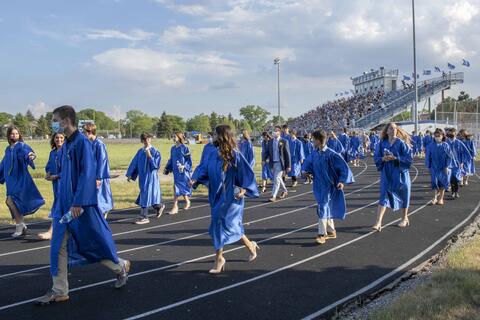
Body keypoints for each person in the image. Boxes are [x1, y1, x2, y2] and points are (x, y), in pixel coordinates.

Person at [35, 105, 130, 306]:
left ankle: (119, 266)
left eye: (55, 119)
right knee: (57, 246)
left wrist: (78, 202)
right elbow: (68, 174)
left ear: (66, 120)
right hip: (63, 206)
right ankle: (60, 289)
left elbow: (88, 173)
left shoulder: (82, 143)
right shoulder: (67, 145)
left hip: (80, 207)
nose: (53, 124)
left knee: (91, 243)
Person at [190, 124, 260, 274]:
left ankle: (219, 259)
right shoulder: (211, 153)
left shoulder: (234, 154)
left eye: (215, 134)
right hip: (216, 195)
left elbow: (246, 173)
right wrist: (195, 179)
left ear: (221, 136)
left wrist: (244, 188)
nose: (212, 136)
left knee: (218, 224)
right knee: (229, 225)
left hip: (231, 197)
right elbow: (203, 168)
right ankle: (250, 245)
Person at [302, 130, 354, 244]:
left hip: (328, 185)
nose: (312, 141)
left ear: (319, 140)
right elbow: (308, 164)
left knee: (322, 206)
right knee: (324, 206)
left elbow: (343, 168)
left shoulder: (331, 154)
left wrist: (341, 181)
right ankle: (331, 231)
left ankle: (322, 234)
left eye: (314, 139)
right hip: (318, 185)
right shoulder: (315, 153)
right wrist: (305, 171)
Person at [0, 126, 45, 238]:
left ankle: (20, 226)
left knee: (10, 201)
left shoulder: (22, 146)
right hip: (11, 180)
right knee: (13, 202)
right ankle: (22, 225)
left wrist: (31, 156)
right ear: (9, 135)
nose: (14, 135)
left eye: (16, 133)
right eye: (12, 134)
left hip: (20, 179)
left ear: (19, 135)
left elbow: (28, 153)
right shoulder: (8, 149)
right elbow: (4, 163)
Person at [372, 122, 413, 231]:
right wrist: (382, 159)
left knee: (404, 194)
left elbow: (409, 158)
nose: (394, 129)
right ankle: (378, 222)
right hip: (387, 172)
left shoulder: (401, 143)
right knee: (383, 195)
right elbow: (376, 157)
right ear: (387, 131)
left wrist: (396, 158)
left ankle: (404, 218)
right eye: (391, 128)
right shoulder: (382, 143)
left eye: (395, 128)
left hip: (400, 173)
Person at [126, 133, 166, 224]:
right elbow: (134, 163)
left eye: (148, 138)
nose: (146, 140)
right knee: (148, 195)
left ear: (150, 139)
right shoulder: (140, 151)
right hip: (143, 177)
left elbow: (156, 166)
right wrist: (130, 174)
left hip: (151, 177)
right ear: (142, 140)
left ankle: (144, 217)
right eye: (144, 139)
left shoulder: (155, 151)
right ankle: (159, 206)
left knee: (145, 194)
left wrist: (150, 157)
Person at [83, 123, 114, 219]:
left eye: (84, 131)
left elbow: (102, 161)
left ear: (90, 132)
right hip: (89, 175)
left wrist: (99, 177)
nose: (83, 134)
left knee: (100, 196)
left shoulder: (99, 144)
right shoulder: (87, 144)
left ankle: (103, 211)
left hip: (98, 176)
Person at [38, 132, 65, 240]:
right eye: (57, 137)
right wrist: (48, 173)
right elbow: (49, 165)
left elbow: (69, 169)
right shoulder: (52, 153)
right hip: (56, 185)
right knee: (63, 207)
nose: (59, 140)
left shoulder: (67, 152)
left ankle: (51, 232)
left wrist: (57, 176)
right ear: (53, 139)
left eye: (61, 137)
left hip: (65, 183)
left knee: (58, 206)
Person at [164, 132, 192, 214]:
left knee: (179, 186)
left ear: (179, 137)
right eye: (172, 136)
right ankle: (186, 202)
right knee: (177, 186)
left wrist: (184, 166)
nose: (173, 137)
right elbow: (171, 159)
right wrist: (167, 168)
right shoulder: (173, 148)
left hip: (183, 172)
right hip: (176, 172)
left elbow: (189, 160)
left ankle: (175, 206)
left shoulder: (184, 148)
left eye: (174, 136)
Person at [262, 126, 291, 202]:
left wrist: (288, 165)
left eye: (276, 131)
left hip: (280, 163)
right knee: (278, 178)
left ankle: (273, 195)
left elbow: (287, 154)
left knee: (276, 179)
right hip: (272, 163)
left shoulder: (284, 141)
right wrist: (264, 160)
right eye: (273, 131)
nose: (274, 132)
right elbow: (267, 152)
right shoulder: (270, 141)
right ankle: (285, 190)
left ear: (279, 132)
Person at [425, 128, 452, 205]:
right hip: (433, 167)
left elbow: (449, 157)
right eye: (435, 135)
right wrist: (428, 166)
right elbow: (428, 156)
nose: (437, 137)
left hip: (443, 167)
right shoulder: (430, 145)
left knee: (442, 183)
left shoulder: (445, 145)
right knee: (434, 182)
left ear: (442, 136)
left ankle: (441, 198)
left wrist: (447, 166)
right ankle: (434, 198)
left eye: (438, 135)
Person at [445, 128, 472, 198]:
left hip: (457, 164)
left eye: (453, 133)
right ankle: (453, 192)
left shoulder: (459, 142)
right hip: (449, 164)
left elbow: (465, 152)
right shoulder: (446, 142)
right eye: (450, 133)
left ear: (455, 133)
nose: (451, 134)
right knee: (451, 178)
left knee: (456, 178)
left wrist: (462, 162)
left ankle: (456, 192)